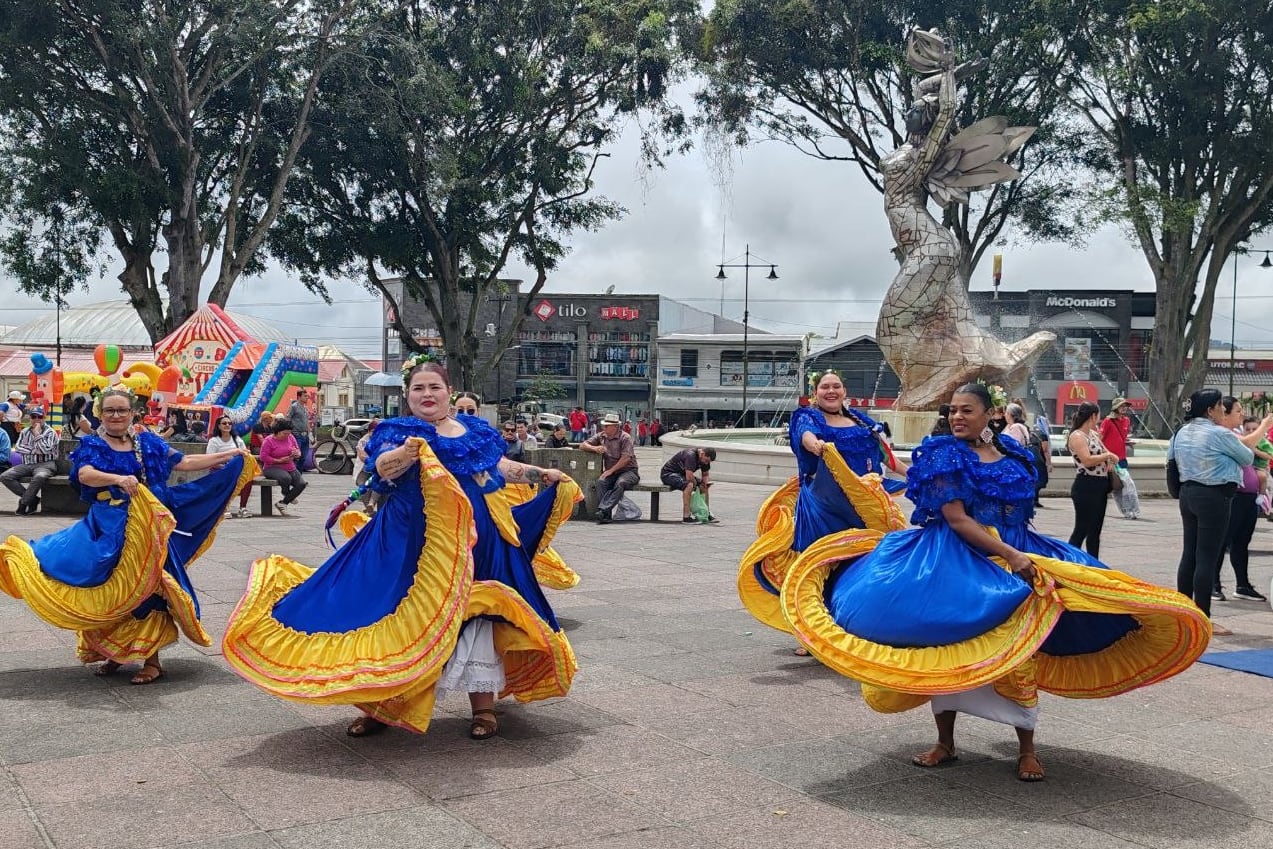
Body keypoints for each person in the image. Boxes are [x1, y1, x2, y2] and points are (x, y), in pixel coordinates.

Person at [783, 382, 1210, 782]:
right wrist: (1011, 555)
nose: (956, 417)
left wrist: (1021, 552)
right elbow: (955, 518)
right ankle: (945, 742)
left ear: (990, 414)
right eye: (952, 411)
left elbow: (1022, 510)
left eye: (967, 410)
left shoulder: (1014, 451)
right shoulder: (941, 453)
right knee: (945, 650)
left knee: (1022, 651)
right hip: (958, 559)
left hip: (1020, 553)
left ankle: (1026, 747)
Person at [221, 354, 578, 740]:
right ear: (408, 396)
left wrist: (540, 473)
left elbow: (497, 468)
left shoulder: (473, 430)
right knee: (387, 615)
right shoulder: (396, 431)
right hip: (410, 542)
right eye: (418, 388)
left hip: (476, 538)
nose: (427, 394)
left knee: (477, 617)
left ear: (449, 392)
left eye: (434, 387)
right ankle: (379, 704)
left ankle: (484, 708)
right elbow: (382, 467)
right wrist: (406, 453)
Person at [0, 387, 252, 684]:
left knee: (151, 587)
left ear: (133, 413)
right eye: (109, 411)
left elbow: (182, 462)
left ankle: (152, 661)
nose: (116, 415)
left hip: (150, 527)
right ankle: (115, 652)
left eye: (122, 410)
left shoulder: (147, 441)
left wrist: (230, 455)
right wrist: (117, 478)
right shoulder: (93, 444)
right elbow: (85, 474)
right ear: (100, 415)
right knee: (102, 583)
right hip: (109, 526)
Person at [739, 369, 907, 641]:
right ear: (815, 393)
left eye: (836, 386)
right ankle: (810, 632)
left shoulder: (861, 422)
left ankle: (854, 624)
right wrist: (816, 445)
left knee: (861, 564)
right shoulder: (808, 416)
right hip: (824, 504)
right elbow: (806, 435)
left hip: (861, 505)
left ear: (844, 392)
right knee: (819, 565)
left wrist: (916, 476)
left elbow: (885, 457)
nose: (831, 391)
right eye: (825, 387)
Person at [1169, 389, 1269, 635]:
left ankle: (1183, 613)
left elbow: (1171, 461)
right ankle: (1203, 618)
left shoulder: (1180, 432)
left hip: (1188, 494)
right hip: (1214, 496)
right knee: (1206, 557)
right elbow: (1247, 458)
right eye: (1221, 408)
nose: (1224, 412)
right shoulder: (1218, 433)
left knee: (1189, 554)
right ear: (1211, 410)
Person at [1212, 403, 1272, 603]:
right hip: (1233, 495)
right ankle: (1213, 584)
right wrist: (1265, 425)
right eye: (1238, 411)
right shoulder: (1223, 433)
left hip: (1248, 496)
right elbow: (1247, 444)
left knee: (1241, 542)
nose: (1242, 414)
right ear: (1224, 414)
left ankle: (1242, 585)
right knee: (1222, 541)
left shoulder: (1234, 432)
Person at [1066, 402, 1117, 557]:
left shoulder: (1093, 434)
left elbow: (1104, 451)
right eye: (1098, 415)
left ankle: (1094, 564)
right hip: (1086, 484)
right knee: (1082, 528)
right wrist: (1107, 456)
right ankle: (1068, 561)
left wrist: (1108, 460)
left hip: (1100, 485)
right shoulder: (1077, 436)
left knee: (1095, 530)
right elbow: (1087, 460)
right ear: (1093, 416)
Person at [579, 412, 639, 523]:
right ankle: (605, 515)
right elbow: (583, 445)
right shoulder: (601, 436)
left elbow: (626, 458)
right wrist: (595, 448)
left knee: (620, 483)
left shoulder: (625, 438)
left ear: (616, 427)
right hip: (612, 472)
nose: (604, 428)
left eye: (607, 426)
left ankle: (603, 510)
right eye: (604, 425)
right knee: (602, 482)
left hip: (629, 471)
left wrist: (611, 470)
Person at [1, 407, 59, 515]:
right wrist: (35, 450)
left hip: (45, 465)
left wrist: (37, 434)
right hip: (27, 464)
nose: (36, 419)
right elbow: (18, 448)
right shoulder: (24, 431)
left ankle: (23, 503)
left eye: (39, 417)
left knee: (39, 477)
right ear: (30, 418)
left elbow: (45, 450)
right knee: (5, 476)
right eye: (33, 417)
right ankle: (32, 499)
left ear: (44, 418)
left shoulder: (50, 432)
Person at [259, 419, 307, 515]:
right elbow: (263, 457)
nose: (287, 436)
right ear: (277, 432)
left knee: (301, 484)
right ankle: (287, 494)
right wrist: (278, 460)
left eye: (288, 433)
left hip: (289, 465)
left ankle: (283, 503)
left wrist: (297, 453)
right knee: (286, 478)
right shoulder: (268, 441)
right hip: (271, 467)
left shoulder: (290, 437)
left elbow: (297, 449)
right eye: (284, 433)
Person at [208, 415, 253, 518]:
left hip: (236, 469)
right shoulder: (214, 441)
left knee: (248, 479)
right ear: (219, 426)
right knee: (226, 479)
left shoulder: (237, 439)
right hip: (219, 469)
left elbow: (246, 453)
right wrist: (225, 467)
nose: (227, 425)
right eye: (224, 423)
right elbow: (210, 460)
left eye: (229, 423)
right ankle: (224, 508)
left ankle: (243, 508)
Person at [1100, 397, 1138, 518]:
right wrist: (1106, 457)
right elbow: (1100, 439)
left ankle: (1131, 510)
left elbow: (1120, 437)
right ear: (1115, 407)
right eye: (1122, 406)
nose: (1125, 408)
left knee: (1125, 484)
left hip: (1121, 458)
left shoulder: (1126, 420)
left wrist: (1127, 442)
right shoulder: (1107, 421)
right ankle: (1127, 510)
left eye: (1126, 406)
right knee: (1118, 485)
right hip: (1110, 459)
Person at [661, 446, 718, 523]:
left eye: (709, 462)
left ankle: (705, 512)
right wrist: (695, 486)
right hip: (668, 474)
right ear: (702, 453)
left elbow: (705, 474)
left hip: (682, 474)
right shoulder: (690, 455)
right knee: (689, 485)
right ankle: (686, 516)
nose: (706, 463)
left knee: (704, 487)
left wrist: (705, 483)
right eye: (706, 460)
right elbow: (689, 477)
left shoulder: (704, 459)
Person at [286, 390, 312, 471]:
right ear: (299, 397)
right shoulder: (294, 406)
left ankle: (299, 476)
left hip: (305, 435)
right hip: (297, 434)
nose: (306, 398)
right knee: (297, 456)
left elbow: (307, 421)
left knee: (303, 457)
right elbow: (287, 418)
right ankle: (294, 475)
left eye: (307, 396)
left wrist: (310, 434)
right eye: (305, 396)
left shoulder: (305, 408)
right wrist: (289, 432)